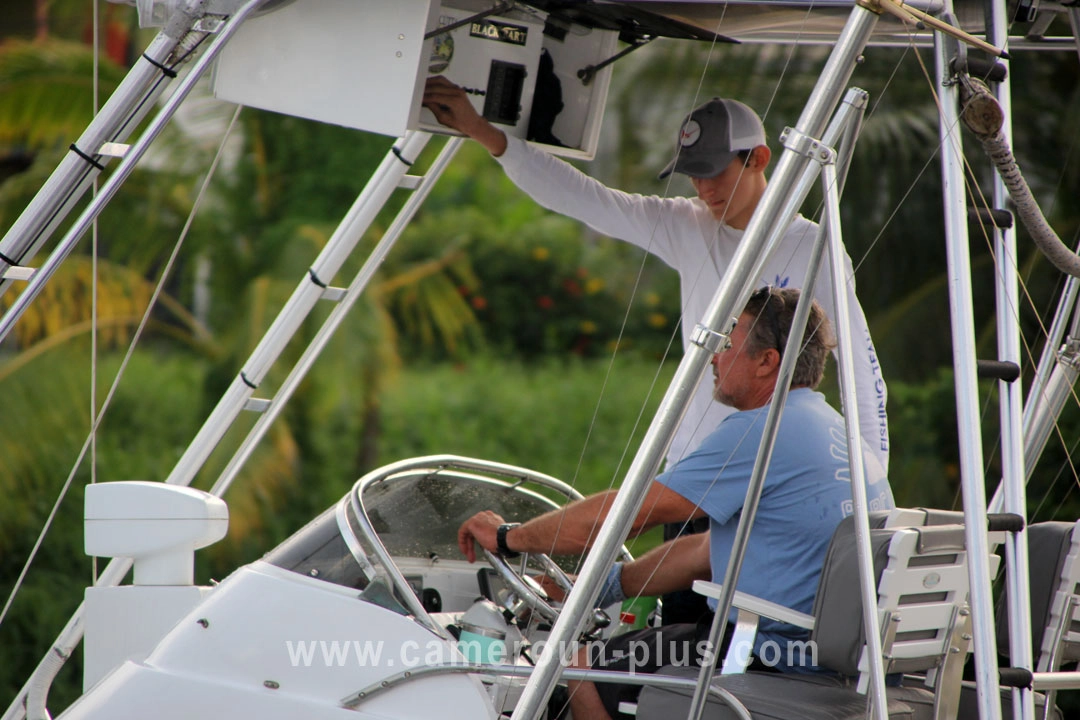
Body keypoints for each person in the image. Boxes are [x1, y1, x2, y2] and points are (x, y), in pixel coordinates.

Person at [424, 79, 889, 624]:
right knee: (683, 639)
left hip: (767, 481)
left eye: (714, 170)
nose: (701, 187)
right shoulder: (684, 223)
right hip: (690, 480)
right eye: (692, 173)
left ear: (759, 158)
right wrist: (483, 133)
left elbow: (860, 365)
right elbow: (583, 198)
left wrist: (871, 479)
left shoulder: (813, 246)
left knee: (729, 647)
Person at [457, 287, 895, 720]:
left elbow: (621, 518)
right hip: (841, 661)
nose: (714, 356)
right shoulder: (831, 426)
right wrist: (605, 585)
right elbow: (705, 551)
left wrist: (508, 537)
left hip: (776, 656)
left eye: (728, 344)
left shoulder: (762, 432)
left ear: (767, 362)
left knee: (580, 661)